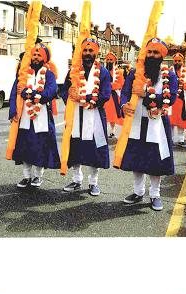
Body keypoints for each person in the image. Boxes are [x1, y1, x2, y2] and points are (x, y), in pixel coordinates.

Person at [121, 38, 178, 212]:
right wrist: (124, 105)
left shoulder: (169, 75)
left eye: (156, 53)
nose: (152, 56)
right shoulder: (134, 73)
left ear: (162, 56)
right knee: (137, 159)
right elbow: (124, 92)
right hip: (137, 121)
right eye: (150, 52)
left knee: (155, 160)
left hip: (157, 123)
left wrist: (145, 93)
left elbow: (172, 97)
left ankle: (155, 194)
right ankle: (138, 192)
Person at [61, 38, 111, 196]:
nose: (88, 53)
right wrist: (69, 95)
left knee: (94, 149)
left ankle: (93, 183)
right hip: (76, 116)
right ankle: (76, 180)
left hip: (94, 115)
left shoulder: (102, 72)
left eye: (91, 51)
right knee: (75, 148)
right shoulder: (73, 71)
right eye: (85, 51)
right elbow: (64, 90)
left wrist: (85, 97)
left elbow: (105, 94)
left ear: (96, 53)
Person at [9, 43, 60, 188]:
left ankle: (38, 176)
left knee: (40, 147)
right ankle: (26, 176)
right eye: (34, 55)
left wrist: (27, 93)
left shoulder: (49, 75)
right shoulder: (24, 74)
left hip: (42, 116)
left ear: (44, 58)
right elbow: (14, 92)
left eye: (39, 55)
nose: (36, 58)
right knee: (24, 147)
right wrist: (13, 111)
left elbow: (51, 92)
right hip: (24, 116)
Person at [169, 53, 186, 145]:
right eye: (175, 61)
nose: (177, 62)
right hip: (171, 100)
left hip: (182, 100)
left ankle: (181, 139)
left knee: (182, 119)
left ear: (182, 62)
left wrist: (183, 84)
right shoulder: (168, 71)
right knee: (170, 119)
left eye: (179, 61)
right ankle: (170, 138)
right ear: (173, 61)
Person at [104, 52, 124, 138]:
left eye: (111, 60)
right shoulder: (102, 71)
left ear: (115, 61)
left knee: (115, 115)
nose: (109, 61)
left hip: (114, 96)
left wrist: (110, 86)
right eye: (107, 59)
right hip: (105, 96)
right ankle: (105, 131)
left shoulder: (118, 72)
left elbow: (120, 84)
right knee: (104, 114)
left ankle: (115, 131)